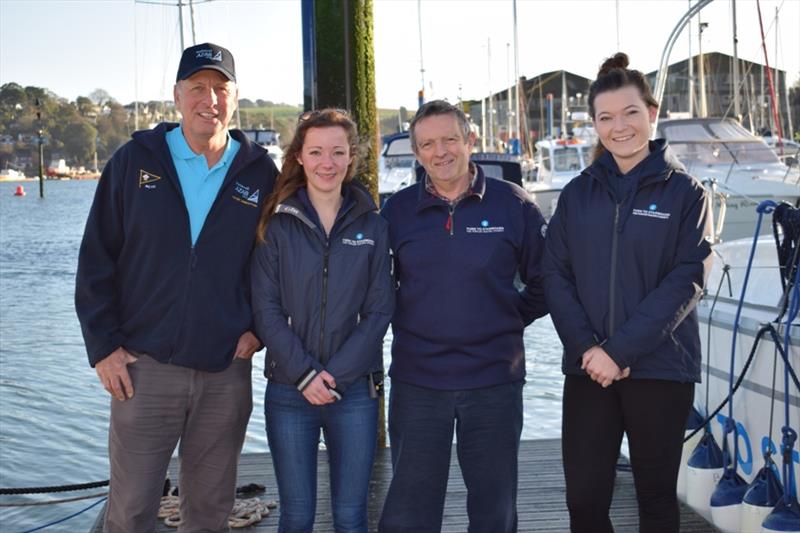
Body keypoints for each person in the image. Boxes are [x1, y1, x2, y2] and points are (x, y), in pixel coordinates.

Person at [75, 42, 278, 532]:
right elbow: (96, 261)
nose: (209, 99)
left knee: (209, 511)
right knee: (130, 511)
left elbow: (276, 265)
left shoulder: (261, 173)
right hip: (144, 369)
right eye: (198, 88)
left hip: (224, 369)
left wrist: (258, 331)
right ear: (177, 96)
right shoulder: (134, 161)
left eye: (220, 88)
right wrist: (104, 348)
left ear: (235, 96)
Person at [542, 52, 713, 533]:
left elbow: (687, 279)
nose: (620, 127)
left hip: (659, 368)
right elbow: (554, 276)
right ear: (595, 124)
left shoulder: (685, 193)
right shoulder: (577, 194)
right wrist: (589, 350)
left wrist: (620, 351)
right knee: (585, 500)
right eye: (606, 117)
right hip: (588, 369)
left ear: (652, 113)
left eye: (630, 113)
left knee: (655, 499)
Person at [378, 100, 548, 533]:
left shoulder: (514, 205)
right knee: (410, 514)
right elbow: (377, 290)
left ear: (470, 142)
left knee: (494, 512)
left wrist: (506, 316)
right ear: (416, 154)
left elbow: (546, 281)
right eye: (428, 144)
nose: (441, 152)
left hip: (493, 381)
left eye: (450, 139)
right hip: (418, 383)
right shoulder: (396, 213)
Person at [250, 108, 394, 533]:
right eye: (316, 152)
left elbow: (380, 310)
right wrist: (305, 375)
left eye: (337, 152)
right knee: (297, 516)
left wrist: (335, 376)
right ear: (299, 157)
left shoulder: (372, 224)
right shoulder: (277, 225)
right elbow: (266, 309)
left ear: (352, 158)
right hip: (289, 391)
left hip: (353, 392)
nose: (326, 163)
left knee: (351, 516)